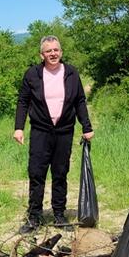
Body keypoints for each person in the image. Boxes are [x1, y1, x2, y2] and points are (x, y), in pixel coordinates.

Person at [13, 36, 94, 233]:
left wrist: (87, 126)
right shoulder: (32, 74)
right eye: (48, 51)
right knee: (37, 173)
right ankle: (34, 217)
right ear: (42, 55)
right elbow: (23, 101)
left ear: (61, 52)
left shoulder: (71, 73)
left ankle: (59, 214)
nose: (53, 54)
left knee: (60, 173)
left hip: (64, 131)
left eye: (56, 50)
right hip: (41, 131)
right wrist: (19, 127)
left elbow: (80, 101)